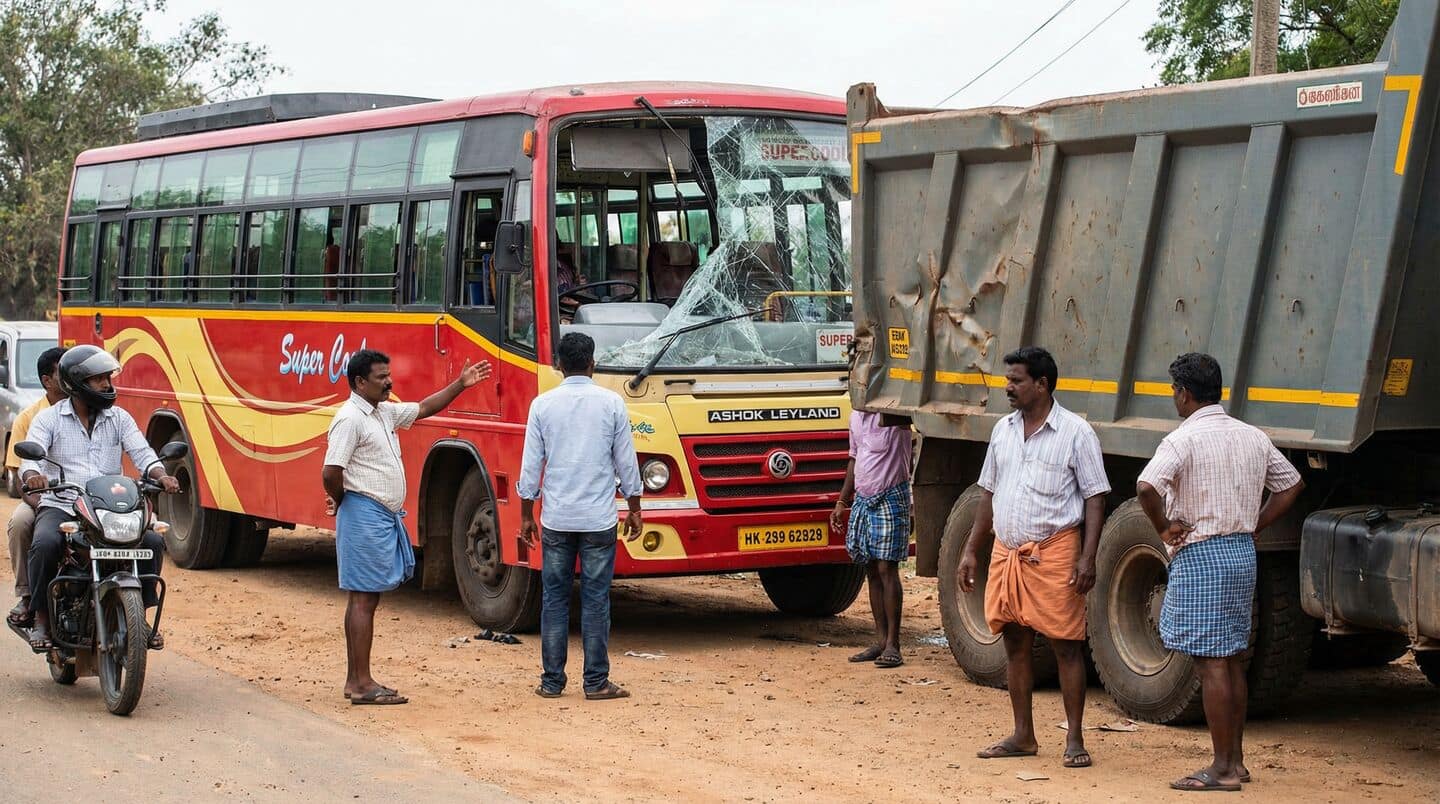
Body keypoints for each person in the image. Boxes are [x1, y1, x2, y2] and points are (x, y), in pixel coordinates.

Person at [1136, 353, 1304, 792]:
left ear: (1185, 394)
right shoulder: (1252, 436)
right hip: (1240, 553)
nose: (1174, 398)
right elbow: (1291, 484)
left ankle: (1223, 768)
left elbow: (1146, 487)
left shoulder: (1182, 440)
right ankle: (1237, 760)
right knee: (1230, 659)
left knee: (1211, 662)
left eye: (1174, 391)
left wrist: (1162, 527)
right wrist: (1255, 524)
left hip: (1202, 553)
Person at [960, 346, 1109, 769]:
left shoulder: (1076, 433)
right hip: (1007, 553)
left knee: (1066, 647)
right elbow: (987, 493)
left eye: (1017, 380)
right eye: (1008, 379)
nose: (1008, 387)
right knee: (1015, 645)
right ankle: (1023, 735)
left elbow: (1096, 497)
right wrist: (972, 549)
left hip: (1056, 551)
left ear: (1041, 385)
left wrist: (1088, 557)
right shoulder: (1002, 431)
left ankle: (1075, 739)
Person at [322, 348, 490, 706]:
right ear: (359, 382)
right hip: (364, 514)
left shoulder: (383, 412)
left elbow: (425, 407)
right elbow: (331, 471)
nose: (389, 382)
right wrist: (342, 500)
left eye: (388, 375)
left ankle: (356, 680)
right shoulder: (350, 418)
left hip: (376, 515)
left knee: (364, 598)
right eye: (382, 378)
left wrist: (460, 384)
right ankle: (363, 684)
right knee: (364, 599)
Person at [19, 345, 180, 651]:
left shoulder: (119, 418)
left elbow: (142, 452)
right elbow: (31, 459)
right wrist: (32, 477)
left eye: (108, 377)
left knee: (153, 542)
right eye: (98, 379)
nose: (107, 384)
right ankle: (40, 618)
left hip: (109, 508)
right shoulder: (48, 419)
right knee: (45, 544)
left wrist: (162, 475)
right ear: (76, 382)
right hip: (64, 504)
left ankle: (139, 617)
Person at [519, 332, 641, 701]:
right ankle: (596, 682)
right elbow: (626, 462)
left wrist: (527, 514)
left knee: (554, 600)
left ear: (558, 364)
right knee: (595, 600)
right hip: (598, 519)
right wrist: (635, 508)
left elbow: (530, 468)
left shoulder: (542, 405)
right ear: (592, 363)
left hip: (556, 518)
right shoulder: (611, 403)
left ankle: (552, 682)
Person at [832, 346, 913, 668]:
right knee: (869, 567)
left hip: (890, 496)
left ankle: (893, 643)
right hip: (864, 499)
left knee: (886, 568)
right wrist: (842, 500)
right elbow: (854, 459)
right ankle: (880, 640)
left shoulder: (892, 416)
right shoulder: (856, 417)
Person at [5, 346, 66, 629]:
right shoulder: (29, 418)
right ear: (47, 381)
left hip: (85, 500)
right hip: (42, 499)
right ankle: (28, 594)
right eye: (63, 372)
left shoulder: (95, 412)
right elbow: (19, 476)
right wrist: (42, 504)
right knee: (20, 523)